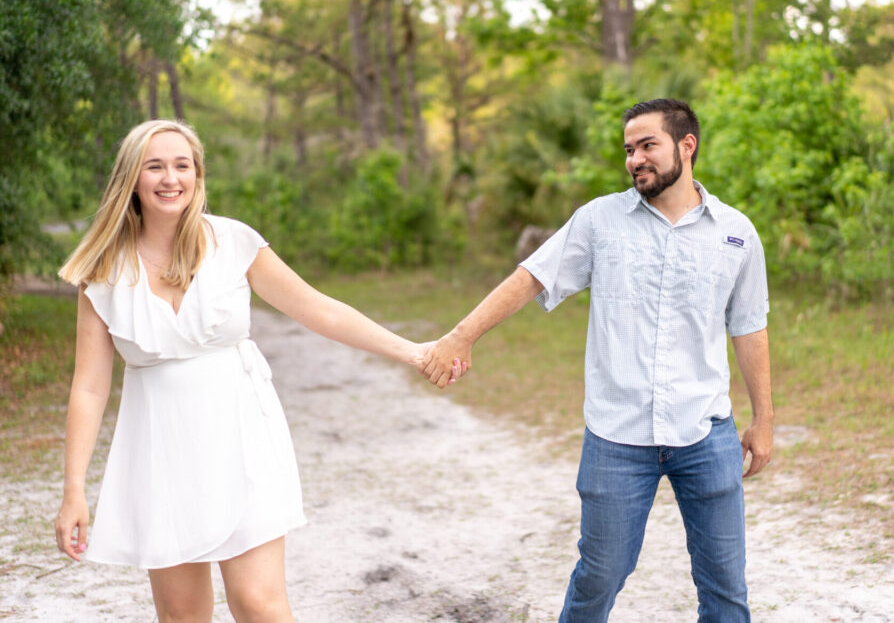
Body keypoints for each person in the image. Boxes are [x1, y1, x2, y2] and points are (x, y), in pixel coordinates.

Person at [53, 119, 457, 622]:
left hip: (240, 436)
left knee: (259, 605)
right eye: (154, 166)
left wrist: (413, 351)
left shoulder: (232, 242)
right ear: (132, 179)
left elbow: (319, 309)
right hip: (159, 448)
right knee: (182, 617)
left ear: (198, 177)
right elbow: (90, 388)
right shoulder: (103, 270)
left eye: (183, 165)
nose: (170, 178)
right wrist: (74, 489)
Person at [420, 98, 773, 622]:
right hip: (617, 439)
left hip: (706, 432)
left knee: (725, 588)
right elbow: (531, 278)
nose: (635, 159)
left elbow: (748, 327)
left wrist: (764, 418)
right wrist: (461, 335)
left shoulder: (736, 233)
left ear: (687, 145)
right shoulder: (600, 221)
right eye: (629, 149)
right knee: (599, 577)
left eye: (648, 145)